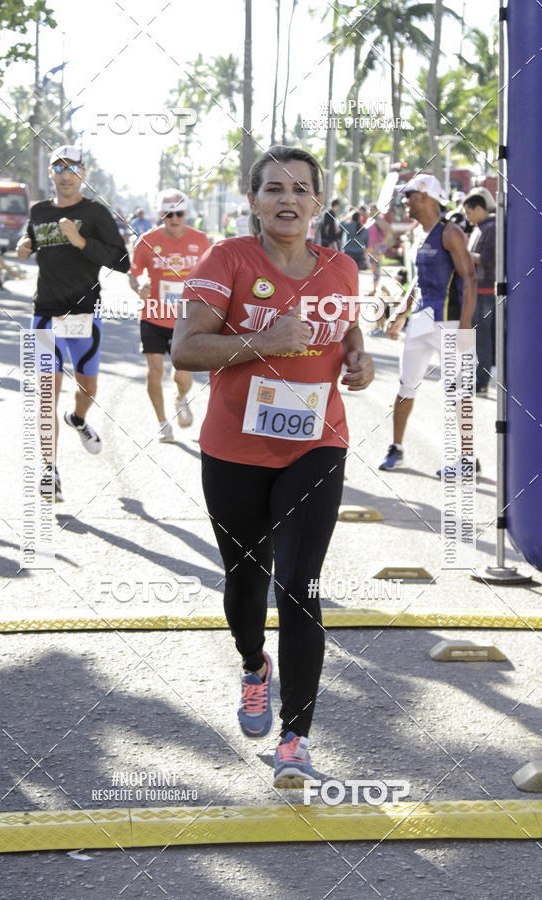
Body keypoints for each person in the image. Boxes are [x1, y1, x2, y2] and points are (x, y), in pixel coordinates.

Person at [171, 145, 375, 788]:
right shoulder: (225, 259)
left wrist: (359, 360)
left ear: (317, 201)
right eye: (274, 188)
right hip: (234, 447)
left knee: (300, 586)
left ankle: (296, 738)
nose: (288, 198)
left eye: (301, 189)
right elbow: (186, 349)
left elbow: (348, 333)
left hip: (317, 442)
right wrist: (265, 341)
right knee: (245, 584)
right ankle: (253, 663)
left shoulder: (341, 268)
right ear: (254, 201)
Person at [16, 145, 130, 501]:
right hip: (47, 315)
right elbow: (32, 240)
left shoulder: (95, 213)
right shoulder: (38, 211)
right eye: (58, 167)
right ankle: (50, 471)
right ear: (51, 173)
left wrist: (81, 240)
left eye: (72, 167)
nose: (65, 174)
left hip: (84, 317)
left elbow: (123, 262)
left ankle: (78, 420)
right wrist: (24, 245)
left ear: (83, 173)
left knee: (87, 389)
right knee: (46, 395)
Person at [378, 174, 477, 474]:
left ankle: (467, 459)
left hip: (450, 323)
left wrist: (464, 327)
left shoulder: (451, 232)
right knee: (406, 385)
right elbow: (418, 281)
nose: (404, 201)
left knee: (460, 391)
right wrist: (402, 314)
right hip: (421, 321)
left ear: (424, 196)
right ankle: (396, 448)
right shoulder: (421, 233)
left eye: (408, 195)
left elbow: (469, 277)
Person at [129, 189, 210, 442]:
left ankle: (180, 398)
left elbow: (212, 274)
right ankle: (162, 422)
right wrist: (138, 286)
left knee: (182, 376)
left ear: (186, 213)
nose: (174, 219)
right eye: (167, 214)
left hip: (186, 319)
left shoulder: (201, 240)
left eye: (179, 213)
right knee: (154, 372)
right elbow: (133, 273)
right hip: (152, 316)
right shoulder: (146, 241)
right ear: (159, 214)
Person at [463, 188, 496, 395]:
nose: (467, 217)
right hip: (476, 289)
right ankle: (479, 376)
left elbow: (487, 258)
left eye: (469, 213)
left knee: (482, 336)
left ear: (478, 208)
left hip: (485, 289)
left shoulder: (491, 228)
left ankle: (482, 379)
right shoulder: (479, 228)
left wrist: (464, 254)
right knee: (477, 335)